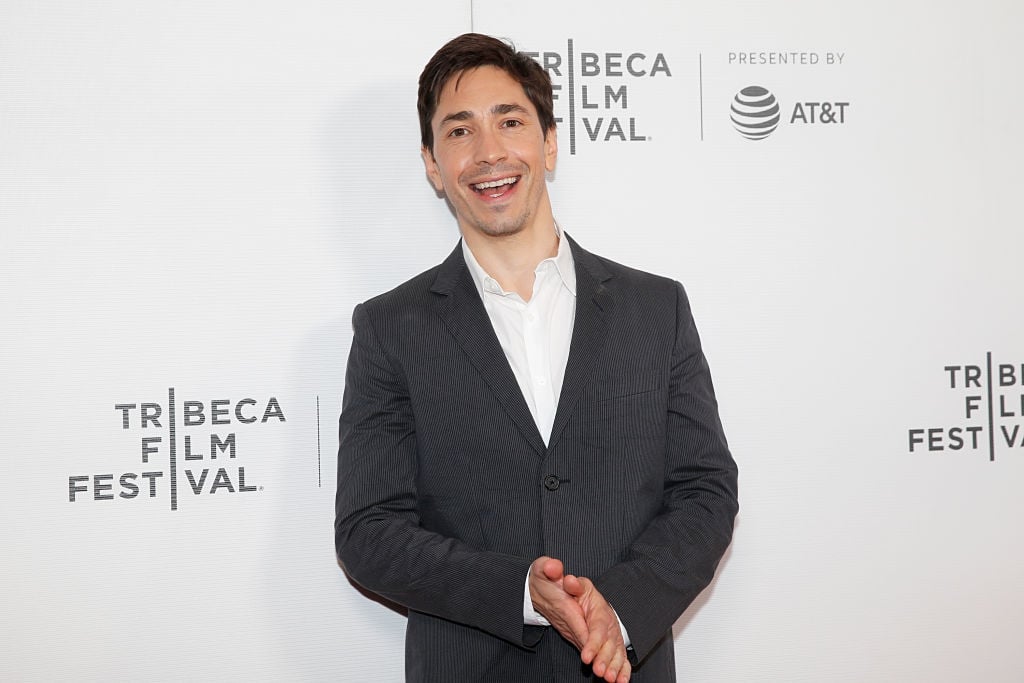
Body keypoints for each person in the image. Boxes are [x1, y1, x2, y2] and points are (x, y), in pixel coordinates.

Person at [335, 33, 738, 683]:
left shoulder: (654, 308)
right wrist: (520, 591)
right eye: (459, 130)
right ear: (432, 165)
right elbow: (369, 532)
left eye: (510, 121)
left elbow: (707, 491)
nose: (489, 151)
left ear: (549, 143)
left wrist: (621, 612)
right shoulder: (390, 329)